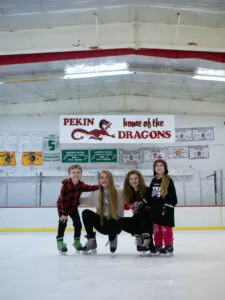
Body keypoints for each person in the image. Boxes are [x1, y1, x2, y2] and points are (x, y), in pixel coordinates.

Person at [56, 164, 99, 252]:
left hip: (73, 207)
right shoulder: (65, 185)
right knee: (63, 222)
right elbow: (63, 200)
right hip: (63, 207)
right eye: (73, 172)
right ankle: (60, 241)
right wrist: (64, 214)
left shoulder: (81, 185)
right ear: (69, 174)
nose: (76, 174)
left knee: (78, 224)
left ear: (81, 174)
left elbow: (90, 187)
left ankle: (76, 241)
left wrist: (101, 186)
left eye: (78, 172)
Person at [80, 170, 124, 254]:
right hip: (102, 223)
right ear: (99, 180)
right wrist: (74, 192)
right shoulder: (96, 193)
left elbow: (131, 196)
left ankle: (112, 237)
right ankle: (91, 241)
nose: (104, 180)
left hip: (115, 224)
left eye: (107, 177)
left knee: (111, 221)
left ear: (111, 179)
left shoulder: (119, 192)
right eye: (101, 177)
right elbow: (82, 201)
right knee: (86, 213)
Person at [119, 170, 155, 253]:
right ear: (128, 181)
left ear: (140, 179)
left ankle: (147, 239)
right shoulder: (128, 194)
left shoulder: (147, 190)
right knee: (120, 221)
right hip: (138, 221)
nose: (133, 181)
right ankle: (138, 236)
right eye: (131, 179)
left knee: (141, 211)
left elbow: (153, 206)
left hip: (149, 221)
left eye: (135, 178)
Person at [149, 157, 177, 255]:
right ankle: (158, 246)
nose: (159, 167)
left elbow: (173, 198)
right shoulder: (153, 180)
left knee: (165, 228)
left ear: (165, 168)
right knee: (156, 229)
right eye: (156, 165)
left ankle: (169, 246)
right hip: (155, 210)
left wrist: (167, 205)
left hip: (165, 210)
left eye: (161, 165)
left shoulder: (168, 180)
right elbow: (150, 195)